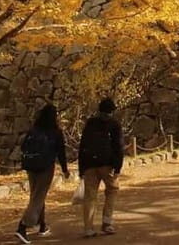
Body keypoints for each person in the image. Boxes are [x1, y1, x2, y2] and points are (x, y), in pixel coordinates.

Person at [14, 104, 70, 244]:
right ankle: (22, 226)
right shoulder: (56, 132)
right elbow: (61, 152)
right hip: (45, 167)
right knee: (38, 197)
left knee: (36, 195)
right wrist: (65, 169)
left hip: (31, 166)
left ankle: (42, 224)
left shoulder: (34, 130)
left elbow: (23, 146)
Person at [79, 97, 124, 238]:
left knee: (90, 196)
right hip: (107, 164)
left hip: (89, 164)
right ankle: (107, 222)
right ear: (112, 111)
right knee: (112, 190)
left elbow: (83, 144)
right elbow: (118, 147)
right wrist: (117, 167)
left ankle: (88, 228)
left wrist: (81, 168)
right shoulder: (114, 124)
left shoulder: (90, 123)